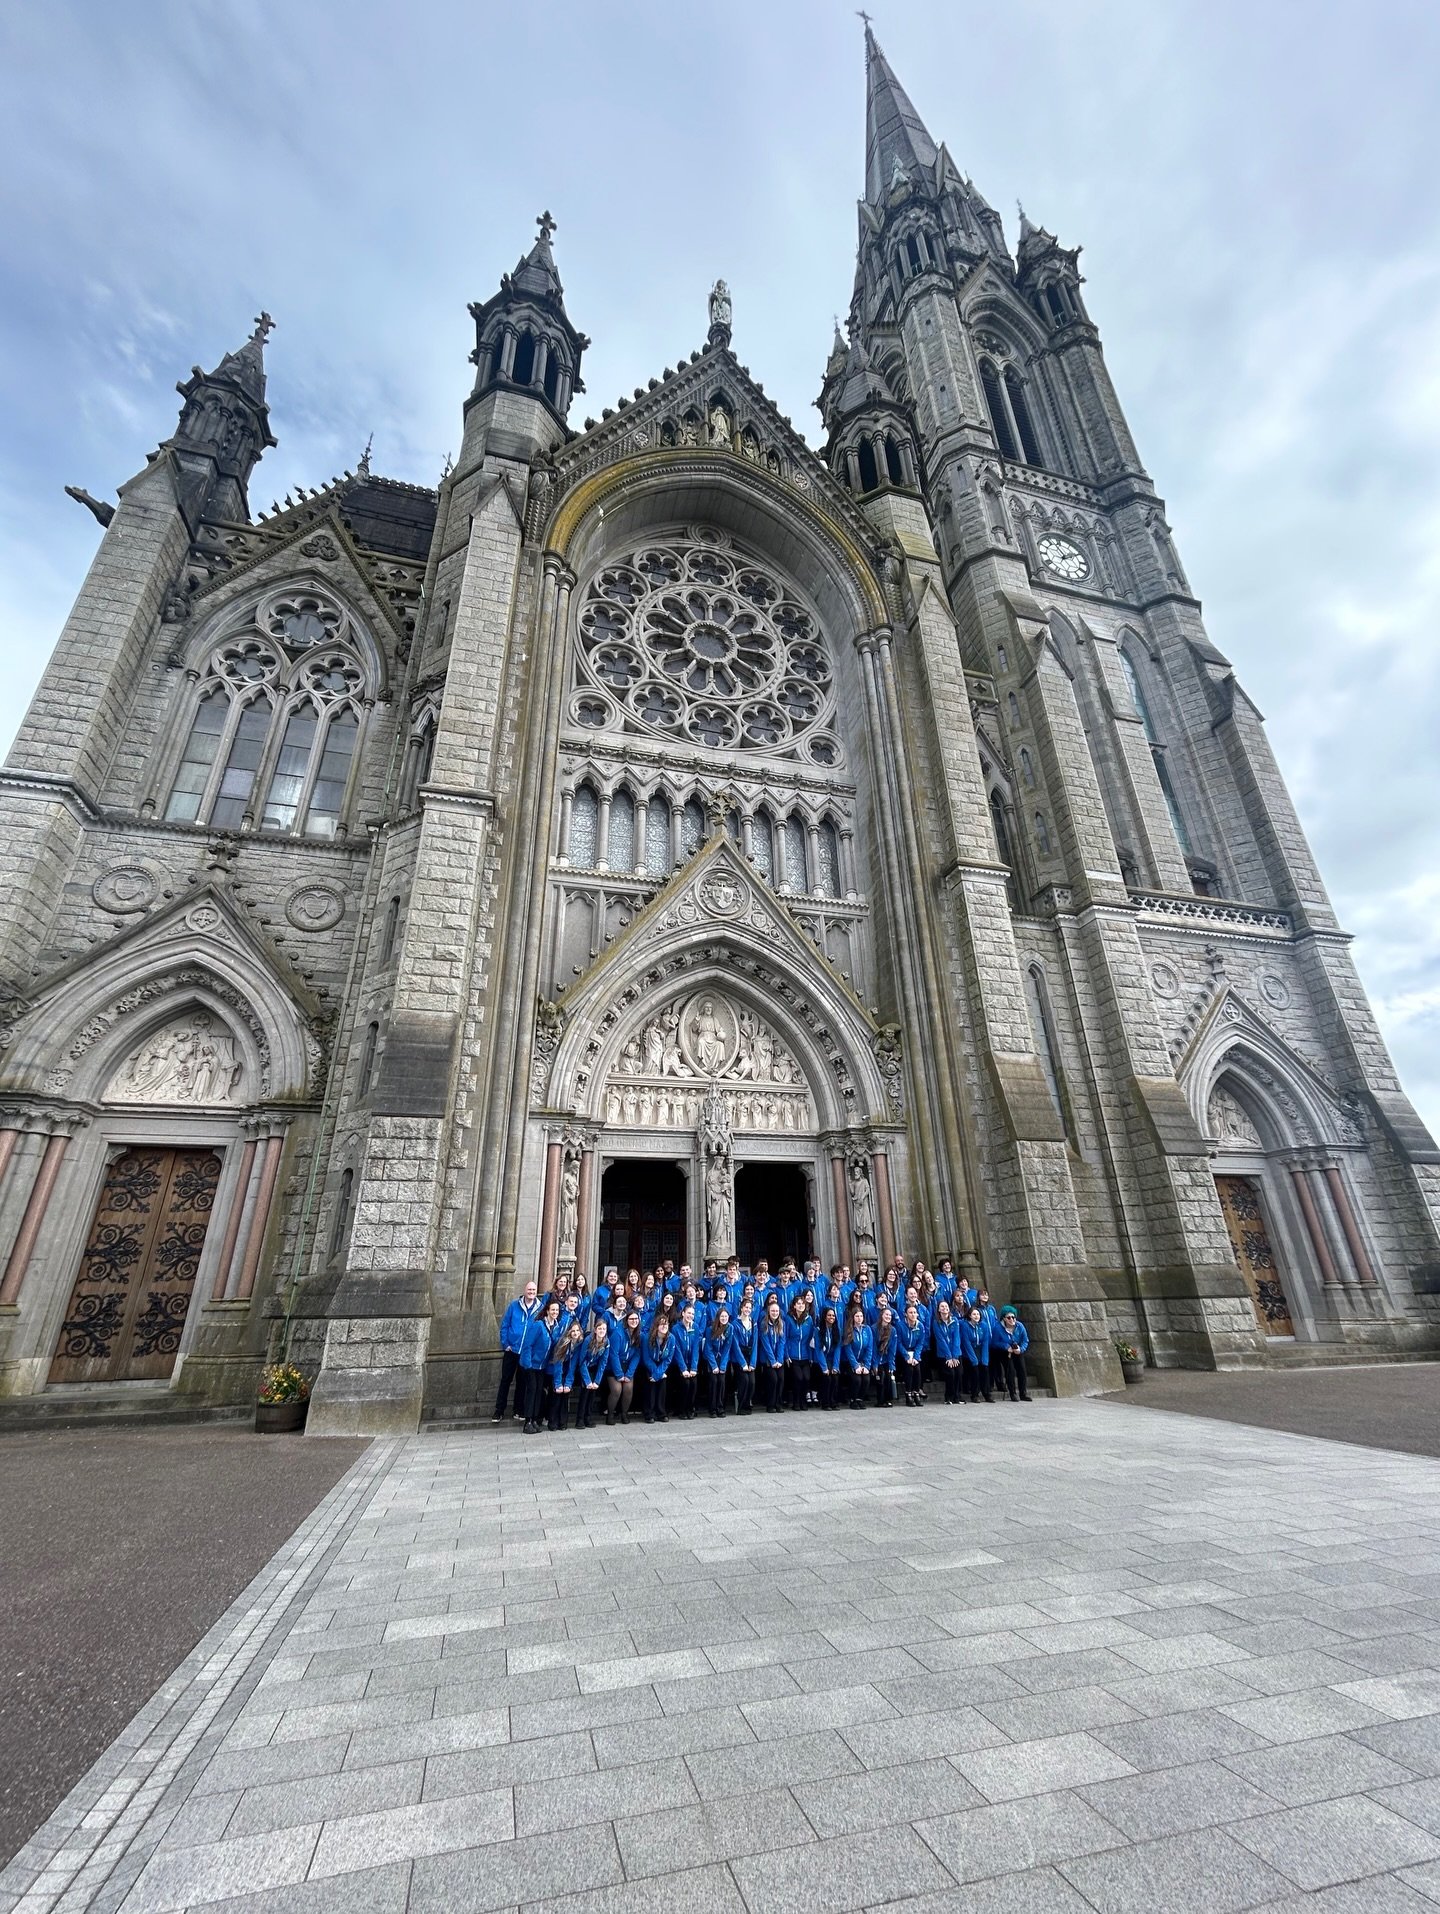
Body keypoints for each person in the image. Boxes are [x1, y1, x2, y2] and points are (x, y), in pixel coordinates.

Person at [492, 1279, 539, 1422]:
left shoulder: (540, 1308)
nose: (531, 1292)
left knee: (522, 1382)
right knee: (506, 1380)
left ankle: (518, 1410)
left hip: (526, 1352)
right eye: (529, 1290)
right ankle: (499, 1411)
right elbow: (505, 1325)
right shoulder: (514, 1306)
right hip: (511, 1350)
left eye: (534, 1290)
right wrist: (505, 1343)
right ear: (525, 1291)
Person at [519, 1296, 559, 1434]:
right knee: (531, 1391)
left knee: (538, 1393)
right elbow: (527, 1345)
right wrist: (528, 1364)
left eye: (557, 1310)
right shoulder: (538, 1325)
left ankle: (535, 1419)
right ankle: (527, 1421)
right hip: (531, 1365)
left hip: (542, 1366)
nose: (555, 1312)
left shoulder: (556, 1326)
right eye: (553, 1310)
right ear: (547, 1311)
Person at [545, 1310, 584, 1431]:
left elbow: (573, 1366)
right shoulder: (562, 1342)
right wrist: (558, 1383)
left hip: (568, 1371)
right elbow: (558, 1364)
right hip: (556, 1370)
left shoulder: (579, 1343)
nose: (576, 1333)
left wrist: (568, 1383)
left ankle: (563, 1422)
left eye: (578, 1331)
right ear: (569, 1332)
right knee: (557, 1394)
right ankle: (552, 1421)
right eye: (573, 1331)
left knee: (565, 1393)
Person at [576, 1317, 610, 1428]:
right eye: (599, 1328)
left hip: (595, 1368)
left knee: (593, 1392)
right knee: (585, 1392)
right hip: (584, 1367)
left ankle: (588, 1417)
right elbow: (582, 1361)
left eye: (604, 1329)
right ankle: (580, 1419)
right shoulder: (588, 1340)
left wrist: (597, 1381)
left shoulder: (606, 1342)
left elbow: (603, 1362)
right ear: (595, 1330)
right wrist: (587, 1381)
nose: (602, 1331)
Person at [993, 1307, 1032, 1402]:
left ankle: (1023, 1393)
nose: (1012, 1319)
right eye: (1009, 1317)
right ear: (1004, 1319)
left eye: (1013, 1317)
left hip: (1017, 1350)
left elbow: (1025, 1340)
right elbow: (994, 1342)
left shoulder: (1020, 1326)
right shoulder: (998, 1328)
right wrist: (1006, 1347)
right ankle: (1012, 1393)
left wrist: (1021, 1349)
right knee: (1010, 1371)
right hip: (1004, 1351)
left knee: (1022, 1370)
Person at [671, 1303, 703, 1419]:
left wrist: (694, 1367)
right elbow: (677, 1350)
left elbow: (695, 1348)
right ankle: (682, 1409)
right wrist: (683, 1368)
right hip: (680, 1364)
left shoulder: (696, 1327)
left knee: (693, 1384)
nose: (691, 1315)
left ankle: (691, 1408)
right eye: (689, 1313)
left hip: (691, 1363)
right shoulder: (675, 1329)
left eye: (693, 1314)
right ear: (683, 1313)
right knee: (685, 1383)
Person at [642, 1315, 675, 1423]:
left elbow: (668, 1359)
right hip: (650, 1364)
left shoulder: (671, 1338)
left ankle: (661, 1412)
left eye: (666, 1324)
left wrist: (659, 1373)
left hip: (663, 1364)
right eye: (661, 1324)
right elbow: (646, 1358)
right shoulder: (647, 1337)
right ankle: (649, 1413)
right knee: (651, 1384)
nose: (664, 1326)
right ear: (656, 1325)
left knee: (662, 1383)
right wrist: (655, 1373)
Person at [840, 1302, 873, 1408]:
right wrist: (855, 1365)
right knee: (857, 1379)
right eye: (857, 1316)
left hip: (863, 1361)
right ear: (853, 1317)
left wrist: (866, 1365)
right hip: (850, 1362)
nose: (859, 1318)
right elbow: (848, 1350)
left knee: (866, 1379)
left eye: (861, 1316)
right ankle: (853, 1399)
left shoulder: (867, 1329)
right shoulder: (849, 1330)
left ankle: (860, 1399)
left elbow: (869, 1348)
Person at [784, 1297, 814, 1412]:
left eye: (802, 1303)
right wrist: (786, 1355)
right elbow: (785, 1337)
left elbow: (811, 1339)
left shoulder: (809, 1319)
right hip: (793, 1354)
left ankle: (803, 1400)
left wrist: (811, 1356)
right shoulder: (788, 1318)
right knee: (798, 1378)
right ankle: (796, 1401)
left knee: (806, 1378)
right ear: (794, 1305)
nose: (801, 1305)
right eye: (798, 1303)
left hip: (806, 1354)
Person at [960, 1303, 993, 1403]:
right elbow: (966, 1342)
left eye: (978, 1314)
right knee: (975, 1371)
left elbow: (985, 1342)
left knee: (985, 1369)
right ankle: (975, 1394)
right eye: (974, 1314)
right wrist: (973, 1359)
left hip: (980, 1350)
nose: (976, 1316)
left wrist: (985, 1359)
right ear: (970, 1315)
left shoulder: (984, 1325)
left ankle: (987, 1394)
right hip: (969, 1351)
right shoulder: (965, 1326)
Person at [932, 1296, 963, 1405]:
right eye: (942, 1306)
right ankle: (948, 1396)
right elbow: (940, 1340)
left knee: (959, 1373)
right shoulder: (936, 1322)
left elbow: (956, 1338)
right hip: (944, 1354)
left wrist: (955, 1356)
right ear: (939, 1309)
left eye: (946, 1306)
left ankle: (957, 1396)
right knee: (951, 1374)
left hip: (956, 1352)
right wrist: (949, 1357)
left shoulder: (954, 1320)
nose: (944, 1308)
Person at [758, 1297, 787, 1412]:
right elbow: (766, 1345)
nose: (775, 1313)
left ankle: (778, 1404)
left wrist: (779, 1360)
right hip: (768, 1359)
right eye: (772, 1311)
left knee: (781, 1379)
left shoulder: (782, 1323)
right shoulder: (763, 1324)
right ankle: (770, 1404)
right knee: (773, 1380)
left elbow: (782, 1342)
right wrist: (773, 1361)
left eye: (776, 1311)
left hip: (778, 1359)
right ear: (768, 1312)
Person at [704, 1307, 733, 1416]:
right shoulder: (710, 1329)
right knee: (713, 1382)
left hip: (723, 1359)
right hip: (712, 1359)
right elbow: (708, 1348)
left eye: (726, 1316)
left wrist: (722, 1365)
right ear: (718, 1317)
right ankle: (712, 1409)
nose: (724, 1318)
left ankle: (720, 1407)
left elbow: (727, 1348)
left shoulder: (730, 1328)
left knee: (721, 1382)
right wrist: (714, 1366)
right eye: (722, 1316)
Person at [732, 1295, 758, 1414]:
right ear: (741, 1308)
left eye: (749, 1308)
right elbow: (736, 1345)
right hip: (739, 1357)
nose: (747, 1309)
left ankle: (748, 1403)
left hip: (750, 1354)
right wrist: (743, 1363)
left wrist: (752, 1362)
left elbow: (755, 1343)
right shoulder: (735, 1324)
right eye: (745, 1307)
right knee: (744, 1380)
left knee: (752, 1382)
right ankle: (741, 1406)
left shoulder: (753, 1324)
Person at [897, 1301, 926, 1406]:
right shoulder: (900, 1325)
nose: (913, 1315)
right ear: (906, 1314)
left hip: (914, 1352)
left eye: (915, 1312)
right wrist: (906, 1356)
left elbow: (920, 1343)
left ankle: (916, 1392)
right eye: (910, 1313)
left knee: (917, 1368)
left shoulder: (920, 1326)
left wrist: (916, 1356)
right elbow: (899, 1343)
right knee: (909, 1368)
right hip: (903, 1352)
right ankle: (908, 1394)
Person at [814, 1305, 841, 1410]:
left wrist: (835, 1366)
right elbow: (818, 1350)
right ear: (825, 1317)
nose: (831, 1317)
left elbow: (838, 1349)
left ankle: (833, 1401)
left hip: (831, 1360)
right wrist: (824, 1367)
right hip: (821, 1360)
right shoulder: (818, 1330)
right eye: (829, 1315)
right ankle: (825, 1402)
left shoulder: (837, 1329)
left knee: (835, 1377)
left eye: (833, 1316)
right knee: (827, 1378)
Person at [871, 1305, 897, 1406]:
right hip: (877, 1358)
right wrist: (875, 1364)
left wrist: (891, 1364)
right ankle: (880, 1400)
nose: (888, 1317)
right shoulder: (874, 1328)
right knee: (880, 1376)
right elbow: (873, 1347)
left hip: (886, 1358)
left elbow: (892, 1349)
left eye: (890, 1315)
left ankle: (888, 1399)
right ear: (881, 1315)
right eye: (886, 1314)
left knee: (888, 1377)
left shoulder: (893, 1330)